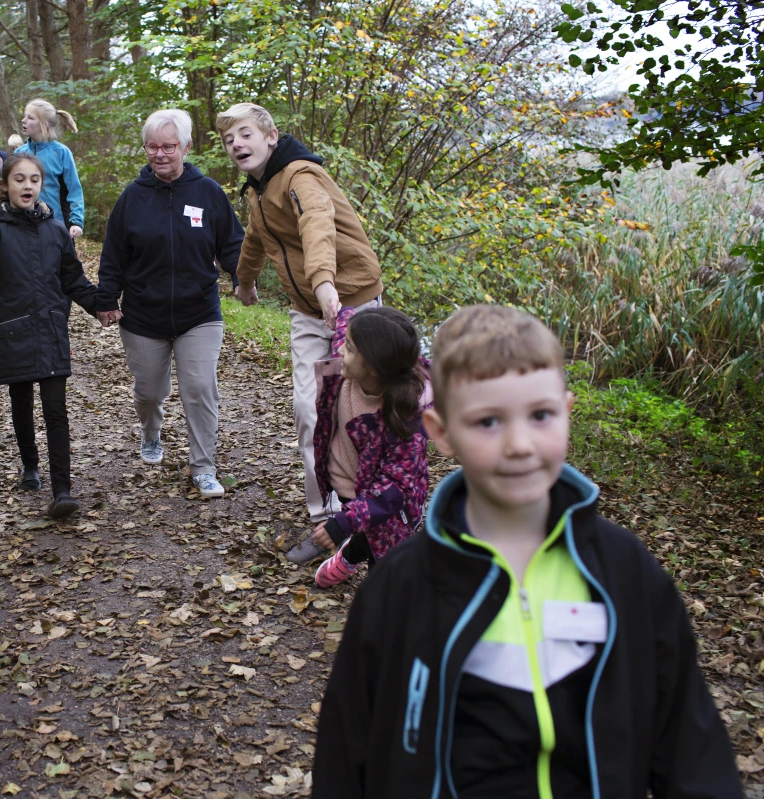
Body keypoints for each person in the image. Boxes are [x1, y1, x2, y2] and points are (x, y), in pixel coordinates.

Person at [312, 304, 742, 798]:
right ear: (441, 432)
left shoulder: (624, 573)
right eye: (488, 421)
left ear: (566, 411)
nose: (519, 444)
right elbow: (348, 753)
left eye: (540, 415)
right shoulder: (401, 586)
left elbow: (691, 748)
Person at [216, 103, 383, 528]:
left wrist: (325, 281)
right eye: (229, 139)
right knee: (308, 408)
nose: (237, 143)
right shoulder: (258, 190)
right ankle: (325, 513)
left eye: (245, 134)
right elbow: (256, 236)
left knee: (360, 407)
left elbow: (316, 222)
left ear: (271, 137)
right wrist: (245, 280)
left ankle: (377, 502)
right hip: (308, 310)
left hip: (353, 304)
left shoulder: (300, 176)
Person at [95, 109, 244, 499]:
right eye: (152, 146)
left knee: (199, 387)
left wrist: (243, 275)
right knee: (148, 391)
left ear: (186, 147)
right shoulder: (133, 197)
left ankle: (204, 467)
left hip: (199, 313)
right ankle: (151, 432)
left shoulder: (208, 192)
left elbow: (232, 244)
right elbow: (113, 255)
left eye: (169, 146)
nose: (160, 154)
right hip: (144, 316)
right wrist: (107, 297)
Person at [0, 154, 100, 519]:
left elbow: (74, 279)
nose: (28, 186)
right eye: (19, 179)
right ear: (5, 185)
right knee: (21, 402)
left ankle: (62, 490)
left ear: (41, 185)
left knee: (56, 410)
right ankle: (30, 465)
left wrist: (103, 306)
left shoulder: (55, 229)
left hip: (51, 329)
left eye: (34, 179)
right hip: (13, 330)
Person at [291, 306, 432, 586]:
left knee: (383, 567)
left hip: (391, 509)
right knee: (363, 535)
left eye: (351, 348)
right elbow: (345, 320)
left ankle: (359, 572)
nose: (340, 348)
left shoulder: (405, 421)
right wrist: (334, 303)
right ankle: (351, 553)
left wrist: (342, 523)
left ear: (374, 365)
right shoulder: (349, 367)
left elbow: (394, 488)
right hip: (348, 490)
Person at [15, 99, 84, 239]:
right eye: (25, 116)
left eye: (30, 117)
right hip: (22, 226)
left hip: (55, 226)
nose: (23, 120)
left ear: (43, 124)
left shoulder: (61, 152)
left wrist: (76, 222)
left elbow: (74, 189)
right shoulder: (18, 153)